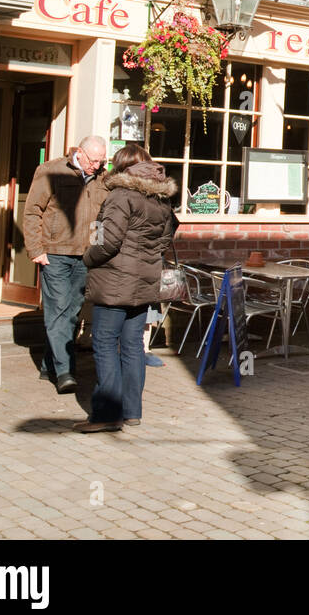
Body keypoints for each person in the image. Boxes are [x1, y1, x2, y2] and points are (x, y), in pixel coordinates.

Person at [77, 144, 178, 432]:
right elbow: (165, 240)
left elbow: (106, 241)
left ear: (122, 168)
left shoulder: (120, 196)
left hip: (115, 281)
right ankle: (132, 411)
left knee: (105, 343)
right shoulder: (160, 199)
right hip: (145, 280)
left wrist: (87, 257)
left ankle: (107, 414)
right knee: (133, 346)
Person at [22, 135, 110, 394]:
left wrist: (99, 249)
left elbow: (101, 219)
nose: (97, 165)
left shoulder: (103, 179)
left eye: (101, 161)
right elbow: (32, 211)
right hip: (55, 253)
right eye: (94, 160)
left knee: (71, 312)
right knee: (58, 309)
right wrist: (36, 249)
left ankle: (50, 364)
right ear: (80, 154)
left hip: (85, 255)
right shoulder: (51, 170)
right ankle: (64, 372)